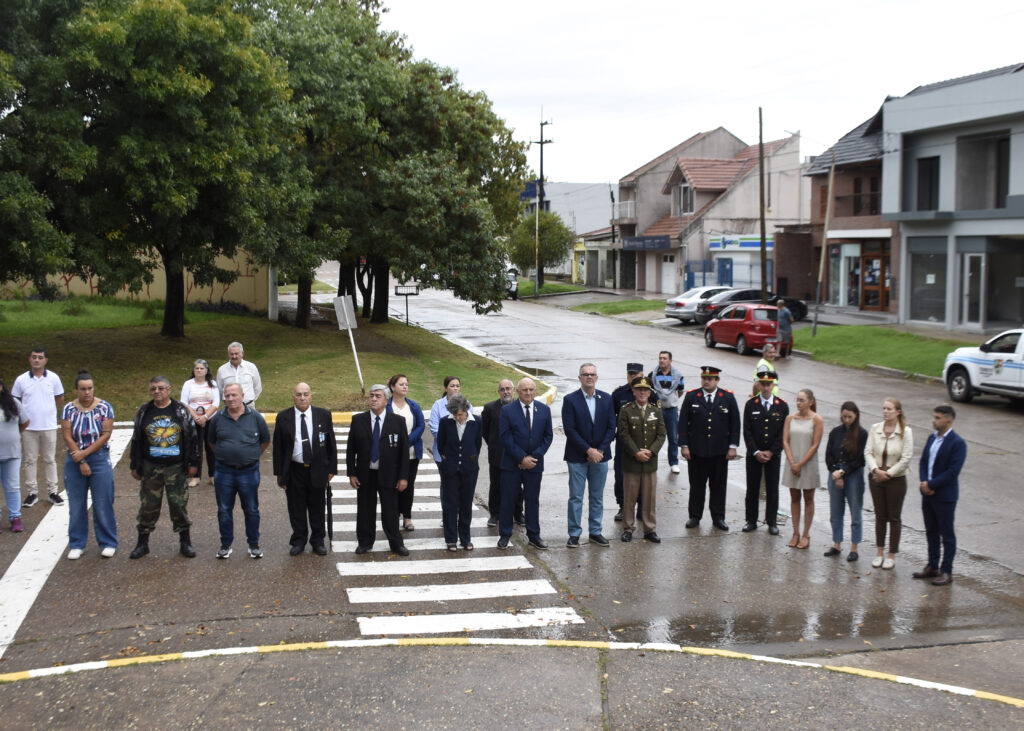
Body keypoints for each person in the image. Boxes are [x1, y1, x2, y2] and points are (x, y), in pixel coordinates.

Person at [128, 375, 201, 559]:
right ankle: (142, 543)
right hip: (150, 467)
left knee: (178, 505)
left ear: (169, 389)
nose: (157, 392)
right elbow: (136, 439)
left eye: (161, 388)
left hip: (176, 468)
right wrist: (135, 464)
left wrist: (194, 464)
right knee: (148, 506)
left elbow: (193, 437)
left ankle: (185, 542)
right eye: (153, 389)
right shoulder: (144, 410)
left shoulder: (180, 410)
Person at [206, 383, 270, 559]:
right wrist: (226, 455)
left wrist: (251, 455)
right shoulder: (217, 418)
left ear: (242, 396)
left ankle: (253, 544)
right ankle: (225, 545)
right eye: (227, 395)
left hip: (248, 472)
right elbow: (212, 442)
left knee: (251, 509)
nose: (230, 398)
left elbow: (265, 440)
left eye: (234, 395)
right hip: (224, 472)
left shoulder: (255, 417)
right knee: (224, 510)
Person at [273, 382, 337, 556]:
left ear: (311, 396)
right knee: (296, 508)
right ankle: (299, 540)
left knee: (318, 507)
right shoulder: (283, 417)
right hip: (295, 470)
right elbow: (278, 447)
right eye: (298, 394)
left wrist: (331, 468)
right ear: (293, 397)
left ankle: (318, 541)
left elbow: (331, 444)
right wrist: (279, 473)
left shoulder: (323, 415)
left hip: (317, 468)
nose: (302, 398)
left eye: (305, 394)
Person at [347, 384, 410, 556]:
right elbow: (351, 449)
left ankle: (396, 544)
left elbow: (404, 452)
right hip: (365, 474)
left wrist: (403, 477)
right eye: (371, 396)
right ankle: (365, 542)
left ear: (386, 400)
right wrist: (351, 473)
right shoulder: (358, 420)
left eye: (378, 396)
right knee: (365, 510)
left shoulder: (398, 422)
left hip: (389, 474)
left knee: (390, 511)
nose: (373, 399)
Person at [60, 371, 117, 559]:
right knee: (76, 503)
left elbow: (106, 434)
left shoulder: (105, 407)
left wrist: (85, 454)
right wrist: (80, 458)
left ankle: (108, 542)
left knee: (103, 501)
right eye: (83, 389)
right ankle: (77, 543)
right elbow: (67, 435)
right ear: (76, 390)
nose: (87, 392)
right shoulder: (68, 409)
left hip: (98, 457)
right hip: (74, 457)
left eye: (90, 388)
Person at [561, 363, 616, 547]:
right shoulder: (570, 400)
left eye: (592, 374)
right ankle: (574, 533)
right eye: (585, 374)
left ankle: (595, 531)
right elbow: (570, 429)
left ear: (597, 377)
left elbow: (611, 427)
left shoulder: (606, 399)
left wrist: (599, 450)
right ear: (580, 378)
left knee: (597, 497)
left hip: (600, 457)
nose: (589, 377)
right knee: (576, 497)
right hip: (577, 457)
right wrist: (588, 450)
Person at [680, 366, 740, 531]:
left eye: (710, 379)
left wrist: (733, 446)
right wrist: (684, 445)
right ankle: (695, 516)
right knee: (697, 486)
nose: (706, 381)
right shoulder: (692, 396)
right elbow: (683, 422)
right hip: (697, 451)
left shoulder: (727, 397)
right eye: (704, 378)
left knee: (718, 486)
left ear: (717, 380)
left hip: (719, 452)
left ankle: (718, 517)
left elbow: (735, 424)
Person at [914, 404, 966, 586]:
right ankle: (932, 565)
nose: (933, 420)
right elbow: (923, 462)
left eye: (937, 418)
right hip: (927, 493)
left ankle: (946, 571)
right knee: (931, 531)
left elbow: (952, 471)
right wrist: (924, 482)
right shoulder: (932, 438)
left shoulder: (958, 443)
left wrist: (932, 484)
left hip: (944, 496)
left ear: (948, 421)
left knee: (947, 534)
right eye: (934, 417)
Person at [498, 378, 553, 550]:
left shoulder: (544, 410)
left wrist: (533, 458)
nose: (528, 393)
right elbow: (505, 437)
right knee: (508, 500)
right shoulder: (507, 410)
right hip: (511, 465)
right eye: (524, 390)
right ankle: (505, 534)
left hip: (534, 465)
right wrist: (521, 458)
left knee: (532, 501)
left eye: (531, 389)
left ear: (535, 391)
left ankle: (534, 535)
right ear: (518, 392)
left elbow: (548, 437)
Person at [11, 348, 65, 507]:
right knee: (30, 460)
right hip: (29, 428)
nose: (37, 360)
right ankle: (32, 493)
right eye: (34, 357)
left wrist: (47, 410)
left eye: (40, 357)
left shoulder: (53, 378)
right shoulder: (21, 380)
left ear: (45, 360)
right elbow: (15, 402)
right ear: (29, 359)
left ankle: (53, 492)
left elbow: (59, 398)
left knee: (50, 459)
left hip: (48, 426)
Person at [865, 397, 914, 570]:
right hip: (876, 478)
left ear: (898, 412)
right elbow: (868, 452)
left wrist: (888, 474)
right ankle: (879, 552)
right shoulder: (875, 428)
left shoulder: (905, 432)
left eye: (889, 409)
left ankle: (891, 554)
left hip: (896, 480)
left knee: (894, 517)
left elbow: (906, 458)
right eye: (884, 408)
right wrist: (875, 470)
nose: (885, 412)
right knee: (880, 515)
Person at [617, 376, 666, 544]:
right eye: (639, 390)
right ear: (634, 392)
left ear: (650, 392)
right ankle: (628, 528)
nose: (642, 393)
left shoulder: (656, 410)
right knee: (629, 498)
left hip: (650, 463)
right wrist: (636, 452)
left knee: (649, 499)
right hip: (632, 463)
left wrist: (651, 451)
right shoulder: (626, 410)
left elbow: (661, 435)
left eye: (645, 390)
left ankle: (649, 529)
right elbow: (623, 434)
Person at [742, 371, 789, 534]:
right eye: (763, 384)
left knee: (772, 489)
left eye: (769, 384)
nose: (766, 387)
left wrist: (772, 451)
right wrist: (755, 451)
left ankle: (772, 521)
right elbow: (747, 430)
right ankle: (751, 520)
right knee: (752, 488)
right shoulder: (751, 404)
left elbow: (784, 432)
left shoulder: (782, 406)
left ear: (773, 385)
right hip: (754, 454)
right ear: (759, 385)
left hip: (773, 455)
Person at [611, 363, 658, 521]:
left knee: (644, 477)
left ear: (642, 374)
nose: (632, 376)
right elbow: (611, 419)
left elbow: (658, 420)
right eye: (630, 374)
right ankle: (623, 506)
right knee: (621, 476)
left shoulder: (652, 394)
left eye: (636, 374)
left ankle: (642, 508)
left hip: (645, 444)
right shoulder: (618, 394)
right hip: (624, 444)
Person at [436, 395, 482, 551]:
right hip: (450, 470)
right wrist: (449, 461)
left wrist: (469, 459)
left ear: (466, 410)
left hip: (470, 470)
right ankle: (450, 539)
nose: (458, 417)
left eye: (460, 414)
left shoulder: (476, 421)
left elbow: (477, 444)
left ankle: (465, 538)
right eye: (455, 415)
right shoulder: (445, 422)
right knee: (450, 504)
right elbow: (441, 445)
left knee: (466, 504)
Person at [824, 401, 868, 562]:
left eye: (850, 417)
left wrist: (844, 472)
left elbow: (860, 459)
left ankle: (854, 547)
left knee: (855, 511)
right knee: (836, 511)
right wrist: (836, 472)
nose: (847, 420)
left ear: (856, 416)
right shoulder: (835, 432)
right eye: (844, 417)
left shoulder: (862, 434)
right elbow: (828, 455)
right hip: (835, 472)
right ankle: (837, 543)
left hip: (853, 474)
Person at [782, 388, 824, 549]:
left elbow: (815, 444)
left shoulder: (817, 419)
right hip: (792, 462)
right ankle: (795, 532)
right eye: (797, 400)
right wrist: (793, 462)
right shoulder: (790, 418)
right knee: (794, 498)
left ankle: (806, 534)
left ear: (811, 402)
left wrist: (800, 464)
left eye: (802, 400)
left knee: (808, 498)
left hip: (808, 464)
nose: (798, 403)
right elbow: (785, 441)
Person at [387, 374, 425, 532]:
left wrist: (406, 442)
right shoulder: (387, 406)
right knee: (393, 485)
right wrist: (397, 446)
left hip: (411, 453)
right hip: (391, 454)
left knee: (408, 485)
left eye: (406, 384)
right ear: (392, 387)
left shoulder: (413, 406)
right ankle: (393, 516)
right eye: (401, 384)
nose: (405, 387)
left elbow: (421, 425)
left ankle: (407, 517)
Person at [481, 379, 520, 527]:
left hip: (517, 454)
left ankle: (518, 513)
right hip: (497, 454)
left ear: (513, 390)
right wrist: (493, 445)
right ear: (498, 392)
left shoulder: (520, 406)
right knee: (495, 484)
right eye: (502, 389)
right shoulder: (490, 408)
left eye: (508, 388)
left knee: (517, 486)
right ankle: (494, 514)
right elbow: (485, 430)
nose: (506, 392)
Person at [180, 358, 220, 485]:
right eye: (196, 368)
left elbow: (216, 402)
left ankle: (213, 476)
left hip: (210, 419)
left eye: (201, 368)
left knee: (211, 447)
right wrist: (196, 417)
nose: (199, 370)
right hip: (193, 420)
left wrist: (205, 417)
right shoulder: (188, 384)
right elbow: (184, 402)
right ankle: (195, 477)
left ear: (206, 370)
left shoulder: (212, 383)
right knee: (195, 448)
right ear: (193, 370)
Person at [1, 378, 30, 533]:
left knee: (12, 486)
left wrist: (14, 435)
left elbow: (25, 421)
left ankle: (15, 517)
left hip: (12, 453)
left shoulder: (13, 403)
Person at [649, 351, 685, 475]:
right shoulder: (652, 375)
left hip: (671, 410)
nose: (662, 360)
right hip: (656, 410)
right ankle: (651, 461)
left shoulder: (678, 375)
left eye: (664, 358)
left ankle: (674, 462)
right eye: (660, 358)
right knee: (653, 437)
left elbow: (680, 391)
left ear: (670, 361)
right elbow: (649, 391)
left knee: (673, 437)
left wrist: (670, 400)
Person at [428, 377, 471, 464]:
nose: (455, 388)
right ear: (446, 388)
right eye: (452, 386)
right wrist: (452, 440)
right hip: (443, 452)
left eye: (457, 386)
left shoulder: (467, 404)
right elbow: (434, 429)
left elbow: (471, 426)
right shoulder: (438, 405)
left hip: (464, 453)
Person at [215, 341, 262, 406]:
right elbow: (219, 389)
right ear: (228, 354)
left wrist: (250, 400)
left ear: (242, 353)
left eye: (236, 353)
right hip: (229, 407)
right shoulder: (222, 370)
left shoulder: (251, 367)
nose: (234, 356)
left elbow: (257, 387)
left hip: (248, 406)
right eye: (231, 354)